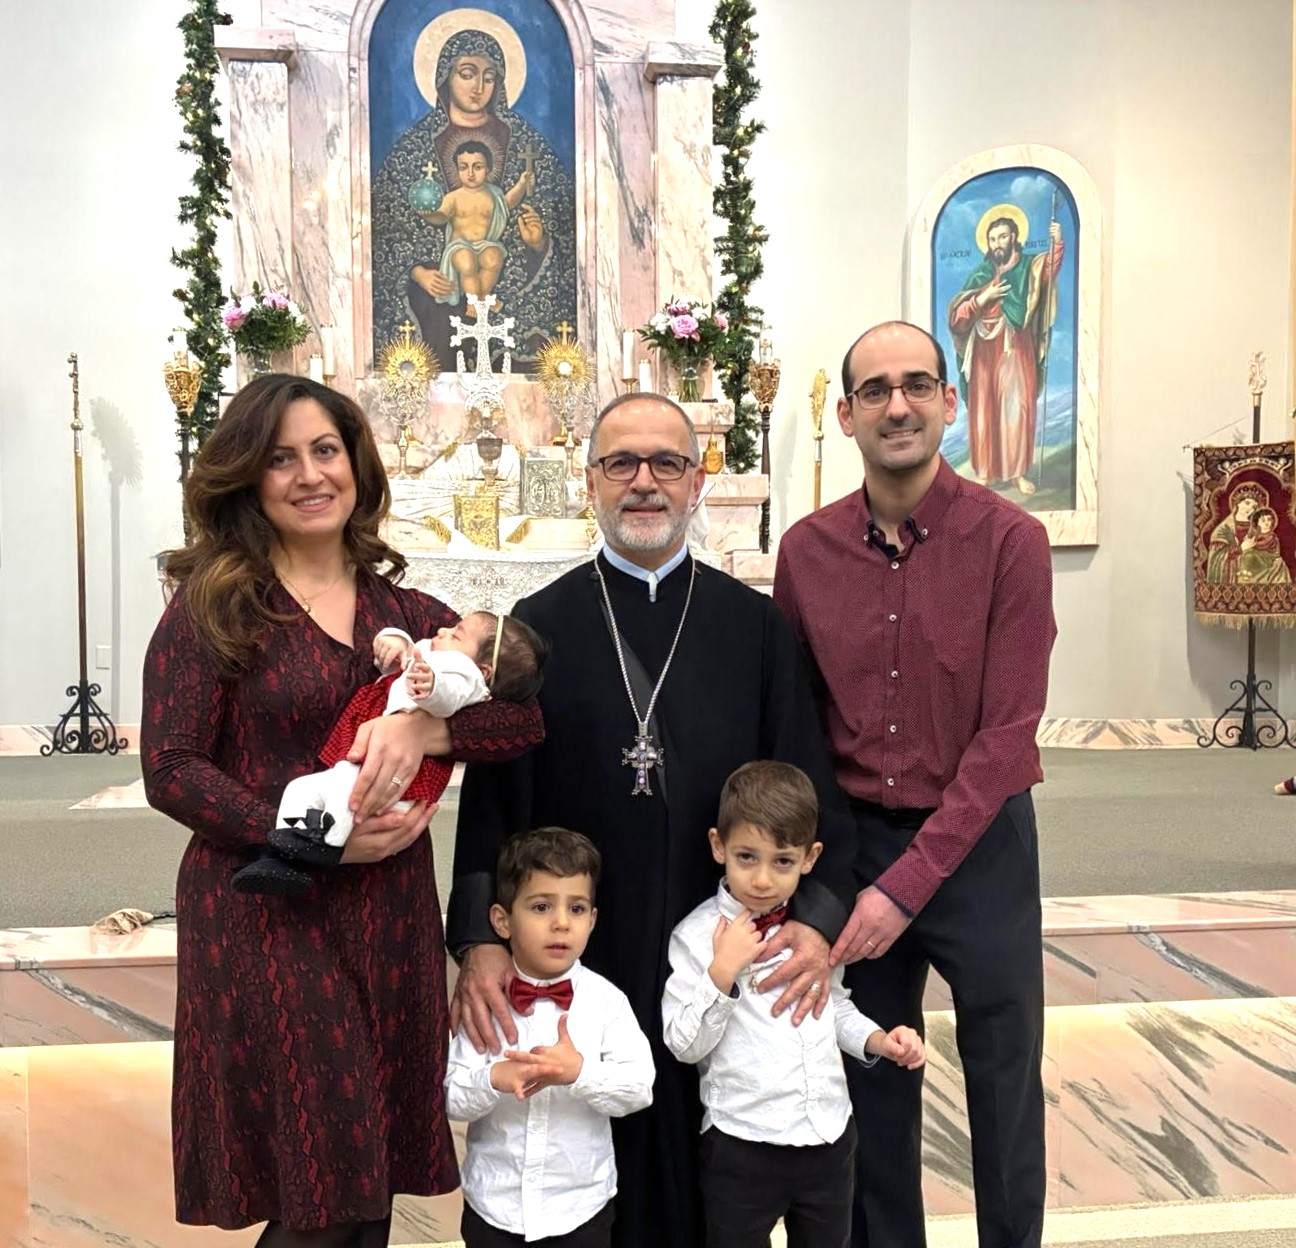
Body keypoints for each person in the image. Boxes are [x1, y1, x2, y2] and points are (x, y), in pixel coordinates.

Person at [140, 373, 544, 1247]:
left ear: (356, 466)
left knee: (365, 1189)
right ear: (249, 478)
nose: (309, 474)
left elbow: (523, 718)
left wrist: (426, 739)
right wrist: (307, 837)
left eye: (326, 450)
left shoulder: (408, 613)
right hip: (266, 910)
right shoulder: (214, 606)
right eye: (281, 458)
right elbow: (170, 768)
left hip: (386, 921)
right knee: (326, 1193)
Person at [446, 393, 858, 1248]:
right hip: (572, 938)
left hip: (721, 940)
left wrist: (817, 921)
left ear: (696, 481)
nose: (644, 482)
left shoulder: (754, 628)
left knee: (709, 1161)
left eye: (665, 463)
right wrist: (480, 940)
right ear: (589, 482)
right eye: (620, 464)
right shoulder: (541, 628)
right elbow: (494, 801)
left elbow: (809, 785)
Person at [774, 321, 1057, 1248]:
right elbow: (802, 729)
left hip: (979, 847)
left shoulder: (1011, 540)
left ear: (951, 401)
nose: (899, 405)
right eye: (877, 390)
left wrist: (908, 887)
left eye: (919, 385)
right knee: (871, 1082)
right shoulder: (807, 552)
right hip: (861, 841)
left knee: (1004, 1079)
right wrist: (846, 875)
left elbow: (1009, 737)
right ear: (848, 413)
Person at [662, 761, 925, 1248]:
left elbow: (834, 1005)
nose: (762, 879)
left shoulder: (814, 932)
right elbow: (682, 1045)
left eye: (782, 861)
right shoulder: (696, 937)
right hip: (742, 1144)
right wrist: (722, 973)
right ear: (718, 846)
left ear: (810, 857)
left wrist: (879, 1041)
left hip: (827, 1136)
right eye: (746, 857)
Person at [232, 611, 548, 895]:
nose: (442, 630)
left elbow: (451, 694)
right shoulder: (435, 654)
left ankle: (325, 846)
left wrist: (430, 696)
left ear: (485, 670)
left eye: (456, 633)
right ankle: (284, 851)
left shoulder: (463, 674)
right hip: (368, 760)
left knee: (347, 789)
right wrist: (395, 641)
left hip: (391, 779)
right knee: (301, 789)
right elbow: (408, 650)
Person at [445, 828, 655, 1247]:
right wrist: (493, 1079)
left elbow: (640, 1088)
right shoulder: (485, 1003)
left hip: (580, 1211)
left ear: (592, 920)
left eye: (576, 908)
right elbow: (450, 1097)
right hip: (494, 1207)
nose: (561, 922)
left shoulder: (606, 1002)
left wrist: (579, 1073)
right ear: (502, 920)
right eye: (541, 906)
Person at [370, 28, 576, 370]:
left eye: (489, 77)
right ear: (445, 77)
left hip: (509, 289)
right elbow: (390, 234)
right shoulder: (414, 147)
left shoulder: (526, 144)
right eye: (467, 74)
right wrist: (417, 272)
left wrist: (539, 243)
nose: (478, 87)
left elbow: (563, 233)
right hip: (440, 290)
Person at [947, 212, 1065, 495]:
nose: (997, 243)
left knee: (1016, 409)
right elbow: (957, 319)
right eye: (992, 238)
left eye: (1002, 236)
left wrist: (1057, 241)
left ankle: (1016, 473)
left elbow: (1047, 269)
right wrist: (981, 299)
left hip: (1015, 345)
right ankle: (986, 473)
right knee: (983, 409)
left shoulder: (1028, 266)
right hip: (983, 350)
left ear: (1014, 237)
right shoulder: (981, 274)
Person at [418, 141, 534, 312]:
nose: (470, 173)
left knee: (494, 258)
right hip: (459, 246)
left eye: (477, 167)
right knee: (467, 263)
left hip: (485, 244)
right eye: (464, 167)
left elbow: (508, 203)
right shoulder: (454, 197)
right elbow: (441, 217)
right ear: (457, 170)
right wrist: (427, 213)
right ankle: (473, 303)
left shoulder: (494, 194)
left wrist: (522, 184)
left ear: (488, 169)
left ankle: (482, 298)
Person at [1206, 483, 1266, 584]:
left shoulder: (1257, 528)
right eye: (1247, 503)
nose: (1250, 509)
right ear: (1237, 503)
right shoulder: (1223, 529)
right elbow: (1216, 559)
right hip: (1233, 577)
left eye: (1254, 506)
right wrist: (1241, 549)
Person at [1236, 507, 1289, 585]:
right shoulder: (1256, 535)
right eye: (1263, 520)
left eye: (1269, 519)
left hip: (1268, 559)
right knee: (1245, 554)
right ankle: (1245, 575)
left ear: (1272, 521)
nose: (1266, 522)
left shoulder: (1272, 536)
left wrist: (1251, 544)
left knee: (1249, 555)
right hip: (1258, 558)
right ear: (1257, 522)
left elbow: (1264, 545)